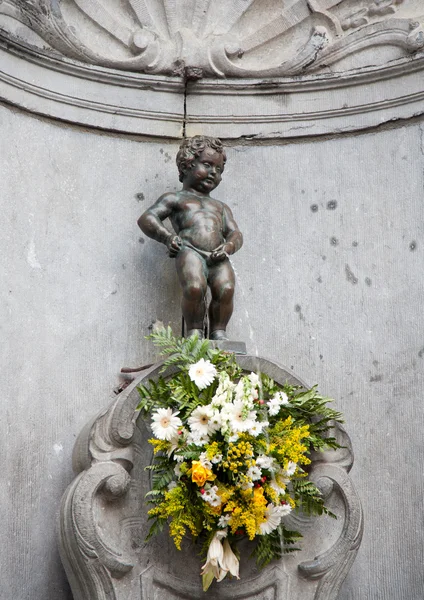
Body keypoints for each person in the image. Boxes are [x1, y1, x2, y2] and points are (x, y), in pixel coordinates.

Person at [138, 135, 243, 340]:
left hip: (218, 255)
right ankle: (194, 331)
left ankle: (218, 332)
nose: (214, 172)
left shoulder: (220, 207)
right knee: (195, 287)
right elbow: (147, 218)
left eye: (219, 169)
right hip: (190, 250)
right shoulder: (175, 198)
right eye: (207, 165)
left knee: (227, 288)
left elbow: (236, 233)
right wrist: (167, 237)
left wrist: (228, 247)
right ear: (187, 165)